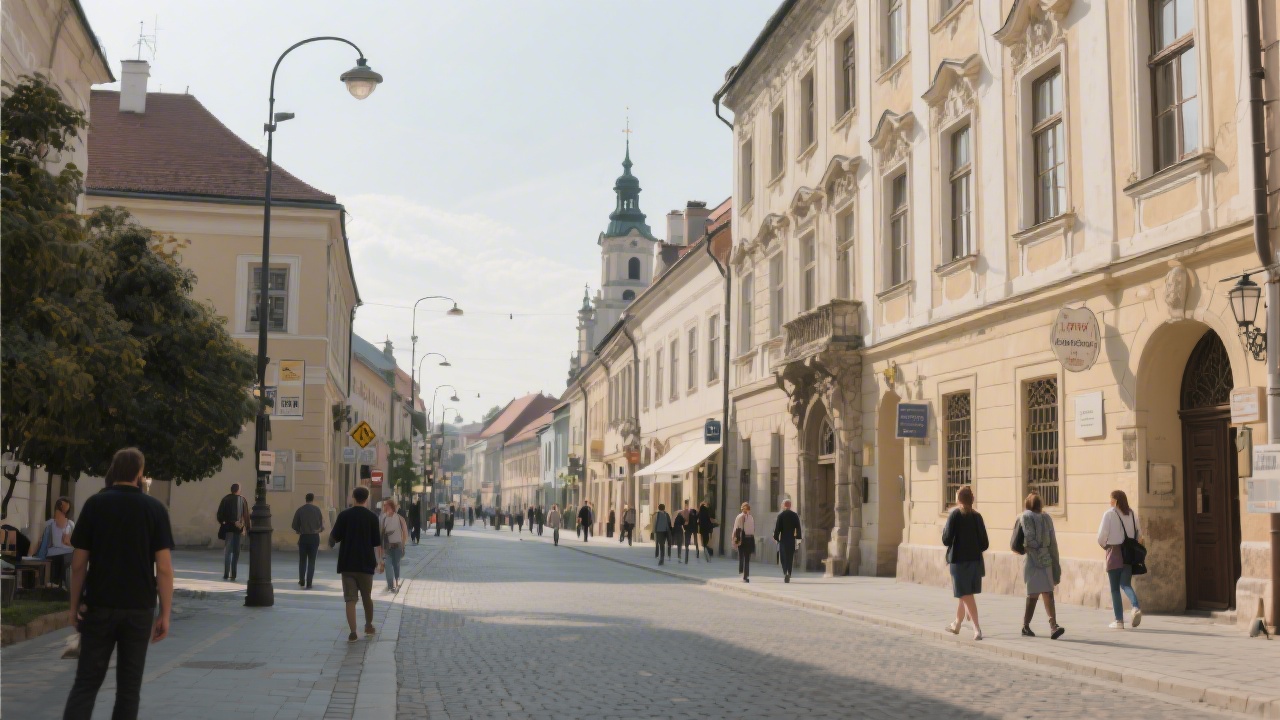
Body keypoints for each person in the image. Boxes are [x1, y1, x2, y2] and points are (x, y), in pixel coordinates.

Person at [63, 448, 174, 720]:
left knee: (86, 684)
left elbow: (78, 565)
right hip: (138, 609)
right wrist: (165, 614)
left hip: (100, 604)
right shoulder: (155, 509)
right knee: (128, 688)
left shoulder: (94, 505)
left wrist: (74, 605)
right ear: (139, 474)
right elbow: (164, 569)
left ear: (114, 471)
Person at [329, 486, 382, 642]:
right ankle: (368, 625)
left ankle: (353, 631)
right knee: (367, 597)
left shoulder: (344, 515)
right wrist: (380, 562)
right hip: (366, 563)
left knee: (350, 599)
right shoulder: (372, 517)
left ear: (353, 497)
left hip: (347, 563)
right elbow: (376, 542)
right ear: (367, 498)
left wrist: (330, 543)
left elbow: (334, 538)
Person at [1012, 492, 1065, 639]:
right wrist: (1054, 563)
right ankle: (1026, 626)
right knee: (1036, 593)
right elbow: (1047, 542)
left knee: (1044, 592)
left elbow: (1041, 540)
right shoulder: (1028, 517)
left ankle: (1053, 626)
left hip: (1039, 559)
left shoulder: (1044, 518)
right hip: (1038, 559)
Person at [942, 486, 988, 640]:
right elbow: (985, 543)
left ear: (959, 499)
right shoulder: (977, 516)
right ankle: (957, 623)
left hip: (959, 561)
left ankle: (977, 629)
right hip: (975, 561)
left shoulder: (955, 514)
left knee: (966, 593)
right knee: (965, 593)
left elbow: (946, 539)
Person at [1098, 490, 1143, 630]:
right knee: (1125, 584)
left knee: (1114, 589)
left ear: (1115, 500)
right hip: (1129, 553)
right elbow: (1139, 535)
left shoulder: (1109, 514)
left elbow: (1101, 537)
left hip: (1114, 551)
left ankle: (1119, 621)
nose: (1110, 501)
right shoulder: (1132, 514)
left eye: (1111, 499)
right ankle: (1135, 606)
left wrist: (1106, 547)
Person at [35, 496, 75, 588]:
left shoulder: (71, 524)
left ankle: (61, 584)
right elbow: (43, 542)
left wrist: (69, 542)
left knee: (65, 558)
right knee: (57, 558)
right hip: (53, 552)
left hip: (68, 552)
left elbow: (75, 543)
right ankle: (57, 584)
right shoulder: (50, 524)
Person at [216, 483, 250, 581]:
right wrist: (245, 527)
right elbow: (246, 515)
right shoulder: (242, 500)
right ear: (238, 490)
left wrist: (228, 522)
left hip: (228, 530)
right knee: (236, 552)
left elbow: (220, 515)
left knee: (227, 552)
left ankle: (226, 573)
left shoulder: (225, 499)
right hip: (238, 530)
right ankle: (233, 574)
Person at [291, 493, 325, 589]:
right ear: (313, 499)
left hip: (303, 537)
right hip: (314, 538)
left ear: (305, 499)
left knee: (302, 560)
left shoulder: (300, 510)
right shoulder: (317, 510)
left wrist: (299, 530)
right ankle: (309, 582)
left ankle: (301, 580)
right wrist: (319, 530)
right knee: (312, 561)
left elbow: (294, 525)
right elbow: (322, 526)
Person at [379, 499, 409, 592]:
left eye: (386, 505)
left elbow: (405, 532)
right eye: (384, 506)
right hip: (388, 546)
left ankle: (396, 582)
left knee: (396, 565)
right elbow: (381, 534)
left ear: (391, 506)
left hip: (398, 545)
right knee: (388, 565)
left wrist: (403, 545)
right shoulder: (383, 518)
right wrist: (381, 547)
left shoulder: (400, 518)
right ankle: (390, 586)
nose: (385, 507)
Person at [773, 499, 802, 582]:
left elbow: (777, 529)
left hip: (783, 539)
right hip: (791, 539)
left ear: (783, 505)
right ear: (790, 505)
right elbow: (798, 527)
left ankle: (785, 571)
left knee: (783, 557)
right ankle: (789, 571)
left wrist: (776, 538)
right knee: (790, 557)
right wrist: (798, 537)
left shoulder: (781, 515)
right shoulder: (794, 515)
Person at [732, 502, 756, 583]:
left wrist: (734, 538)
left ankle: (743, 573)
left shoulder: (740, 517)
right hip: (749, 539)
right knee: (746, 558)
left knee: (742, 556)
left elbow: (736, 529)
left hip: (742, 539)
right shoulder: (751, 517)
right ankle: (745, 575)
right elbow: (753, 529)